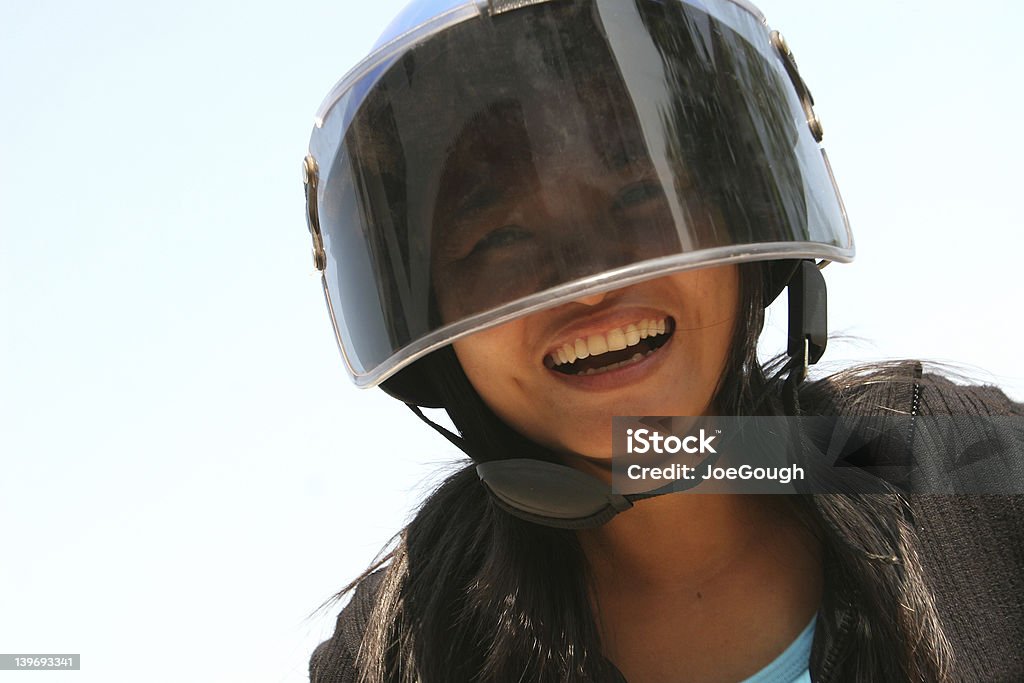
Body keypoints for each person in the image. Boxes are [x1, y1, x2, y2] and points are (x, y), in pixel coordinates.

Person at [300, 0, 1024, 680]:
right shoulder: (402, 646)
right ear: (431, 324)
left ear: (743, 222)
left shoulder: (961, 467)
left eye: (644, 194)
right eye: (503, 237)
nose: (587, 285)